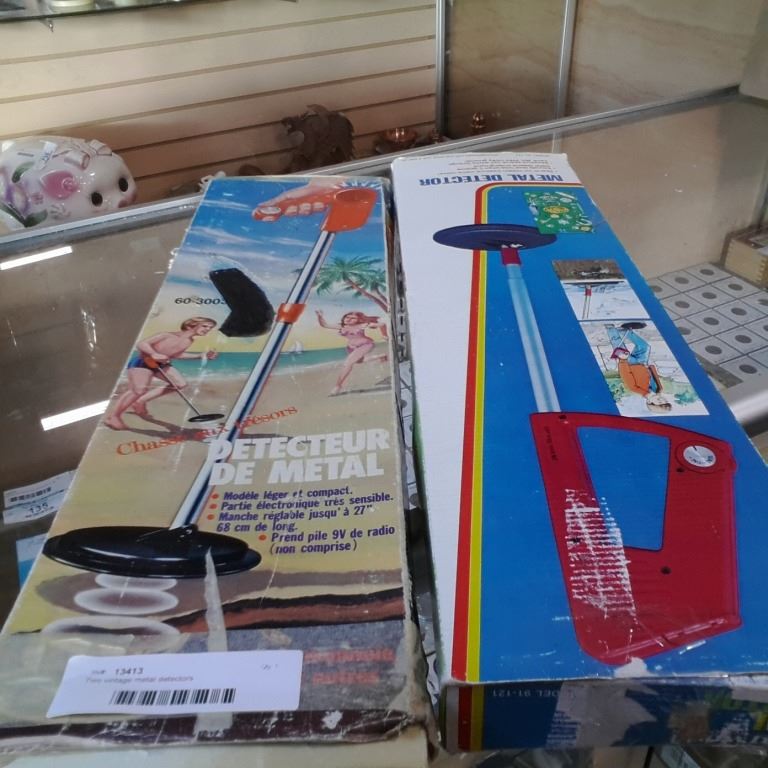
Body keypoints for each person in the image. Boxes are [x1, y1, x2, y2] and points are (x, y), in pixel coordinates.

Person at [104, 317, 218, 429]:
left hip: (161, 364)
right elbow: (142, 344)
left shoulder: (189, 341)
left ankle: (140, 401)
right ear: (190, 326)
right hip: (144, 361)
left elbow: (176, 354)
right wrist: (153, 353)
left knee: (180, 384)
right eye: (205, 326)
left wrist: (200, 356)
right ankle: (114, 417)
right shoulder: (166, 335)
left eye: (210, 328)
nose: (207, 329)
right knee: (138, 390)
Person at [316, 310, 387, 395]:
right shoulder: (341, 326)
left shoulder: (363, 325)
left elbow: (382, 324)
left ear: (359, 320)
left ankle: (338, 386)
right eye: (347, 317)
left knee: (348, 363)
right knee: (359, 361)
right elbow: (324, 325)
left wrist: (384, 335)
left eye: (353, 318)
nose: (349, 319)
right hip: (351, 347)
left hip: (365, 344)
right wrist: (320, 316)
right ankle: (380, 356)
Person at [606, 324, 672, 414]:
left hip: (629, 364)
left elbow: (625, 375)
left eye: (660, 402)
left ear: (649, 402)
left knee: (620, 347)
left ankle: (611, 329)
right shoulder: (659, 389)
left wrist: (623, 360)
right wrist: (650, 367)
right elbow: (654, 376)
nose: (662, 399)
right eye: (665, 401)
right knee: (644, 346)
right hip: (642, 362)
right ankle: (624, 331)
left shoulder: (636, 389)